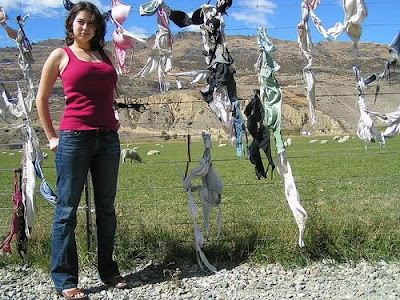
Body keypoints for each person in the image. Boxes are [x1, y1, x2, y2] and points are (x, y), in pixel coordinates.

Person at [36, 2, 127, 299]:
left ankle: (108, 270)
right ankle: (65, 279)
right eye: (80, 22)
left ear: (98, 27)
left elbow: (105, 95)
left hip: (107, 140)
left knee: (106, 210)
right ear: (71, 25)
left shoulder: (104, 55)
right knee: (66, 211)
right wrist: (52, 136)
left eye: (90, 23)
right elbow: (42, 98)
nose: (85, 27)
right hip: (74, 138)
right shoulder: (60, 55)